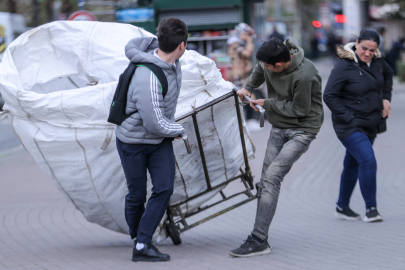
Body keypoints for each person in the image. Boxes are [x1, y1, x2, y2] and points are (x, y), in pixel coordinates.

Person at [230, 37, 324, 257]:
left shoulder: (305, 74)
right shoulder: (272, 59)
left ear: (280, 65)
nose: (266, 69)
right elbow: (260, 69)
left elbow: (300, 109)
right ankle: (260, 237)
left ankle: (258, 239)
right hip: (279, 126)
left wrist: (267, 103)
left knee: (272, 178)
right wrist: (248, 88)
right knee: (265, 184)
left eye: (270, 67)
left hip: (302, 129)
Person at [115, 18, 188, 262]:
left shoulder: (174, 65)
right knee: (137, 195)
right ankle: (139, 241)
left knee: (164, 187)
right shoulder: (148, 76)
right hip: (133, 142)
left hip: (158, 141)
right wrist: (179, 129)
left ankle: (143, 243)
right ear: (182, 45)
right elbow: (154, 121)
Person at [324, 29, 393, 223]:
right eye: (364, 48)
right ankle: (371, 209)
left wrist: (386, 99)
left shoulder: (379, 63)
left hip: (371, 121)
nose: (368, 53)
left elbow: (388, 76)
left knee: (352, 163)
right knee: (368, 160)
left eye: (372, 50)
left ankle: (342, 206)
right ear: (356, 43)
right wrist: (348, 117)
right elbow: (329, 95)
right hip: (349, 125)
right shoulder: (344, 65)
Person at [227, 23, 260, 130]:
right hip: (237, 75)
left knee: (246, 96)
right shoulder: (235, 44)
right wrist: (250, 43)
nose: (247, 37)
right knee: (244, 97)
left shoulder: (237, 43)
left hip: (241, 74)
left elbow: (245, 59)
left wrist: (248, 65)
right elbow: (246, 53)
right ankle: (247, 121)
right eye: (246, 34)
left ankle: (247, 121)